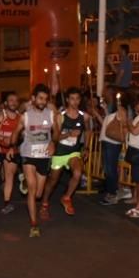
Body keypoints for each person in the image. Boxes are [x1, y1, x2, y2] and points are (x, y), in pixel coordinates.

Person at [11, 84, 56, 237]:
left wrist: (52, 142)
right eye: (40, 98)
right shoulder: (26, 116)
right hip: (28, 154)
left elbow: (56, 132)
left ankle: (24, 180)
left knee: (38, 193)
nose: (43, 101)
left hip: (43, 156)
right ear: (34, 99)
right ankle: (34, 224)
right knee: (32, 190)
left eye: (45, 99)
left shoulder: (50, 114)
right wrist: (12, 146)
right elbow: (16, 132)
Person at [42, 87, 86, 216]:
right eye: (72, 98)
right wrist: (69, 134)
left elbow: (88, 131)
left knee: (78, 173)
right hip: (59, 152)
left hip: (74, 152)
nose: (75, 101)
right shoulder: (60, 117)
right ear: (67, 100)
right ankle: (44, 203)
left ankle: (66, 197)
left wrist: (87, 148)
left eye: (77, 98)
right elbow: (55, 138)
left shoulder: (84, 116)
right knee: (52, 181)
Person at [98, 93, 126, 206]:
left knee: (110, 169)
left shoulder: (121, 110)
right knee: (107, 168)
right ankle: (110, 191)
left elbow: (123, 123)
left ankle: (112, 193)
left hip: (112, 143)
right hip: (106, 141)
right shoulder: (113, 111)